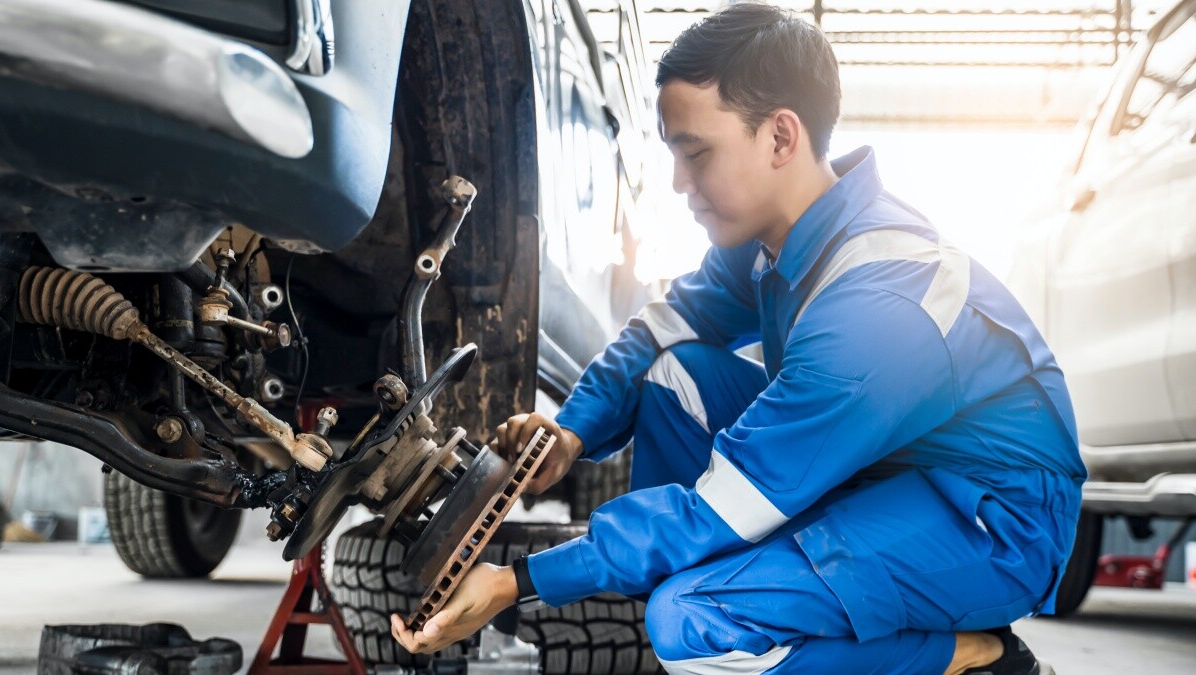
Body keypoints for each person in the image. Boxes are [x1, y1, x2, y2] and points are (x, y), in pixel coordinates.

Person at [392, 4, 1085, 673]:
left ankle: (976, 656)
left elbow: (729, 498)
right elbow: (657, 329)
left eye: (696, 153)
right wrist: (571, 433)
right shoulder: (768, 242)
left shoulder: (880, 306)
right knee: (673, 375)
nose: (676, 182)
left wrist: (516, 580)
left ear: (781, 138)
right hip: (880, 472)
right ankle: (730, 584)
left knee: (692, 624)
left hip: (990, 523)